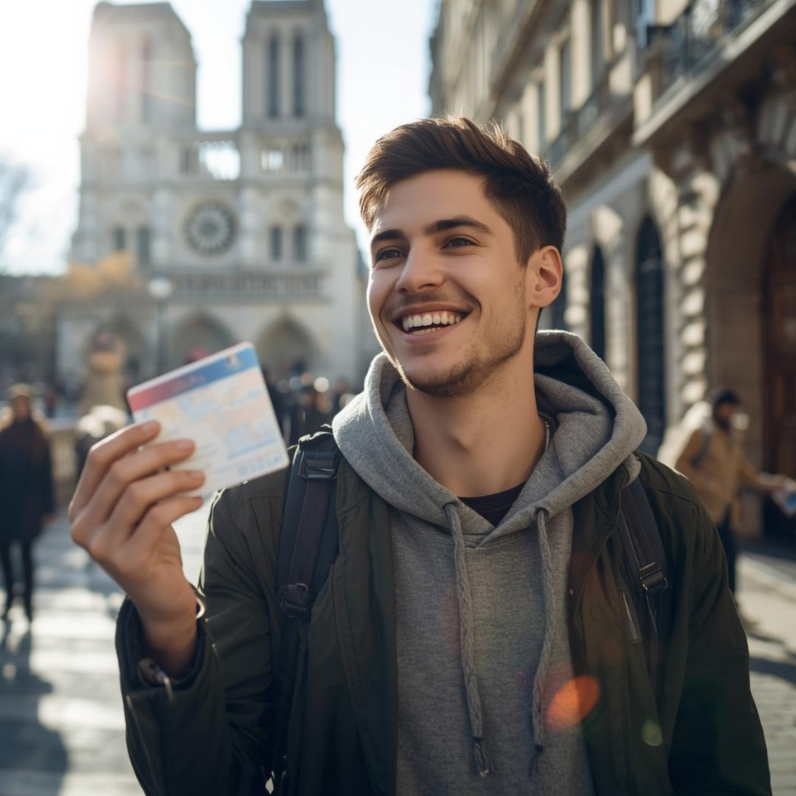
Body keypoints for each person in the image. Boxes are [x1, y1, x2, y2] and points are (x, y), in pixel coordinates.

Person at [69, 118, 770, 795]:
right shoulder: (267, 519)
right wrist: (165, 625)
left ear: (543, 277)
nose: (413, 276)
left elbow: (722, 774)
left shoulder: (658, 516)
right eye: (388, 251)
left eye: (457, 241)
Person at [674, 388, 789, 597]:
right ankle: (702, 610)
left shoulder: (732, 436)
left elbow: (744, 472)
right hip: (704, 509)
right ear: (717, 408)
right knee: (704, 562)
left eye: (733, 409)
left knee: (729, 559)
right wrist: (708, 483)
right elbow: (680, 463)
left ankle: (731, 607)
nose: (730, 413)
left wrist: (771, 483)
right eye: (727, 408)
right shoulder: (701, 432)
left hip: (727, 511)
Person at [0, 384, 55, 622]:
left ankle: (29, 602)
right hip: (5, 502)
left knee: (26, 553)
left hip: (29, 504)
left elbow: (47, 473)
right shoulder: (4, 433)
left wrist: (49, 508)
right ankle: (11, 593)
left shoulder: (39, 434)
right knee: (4, 553)